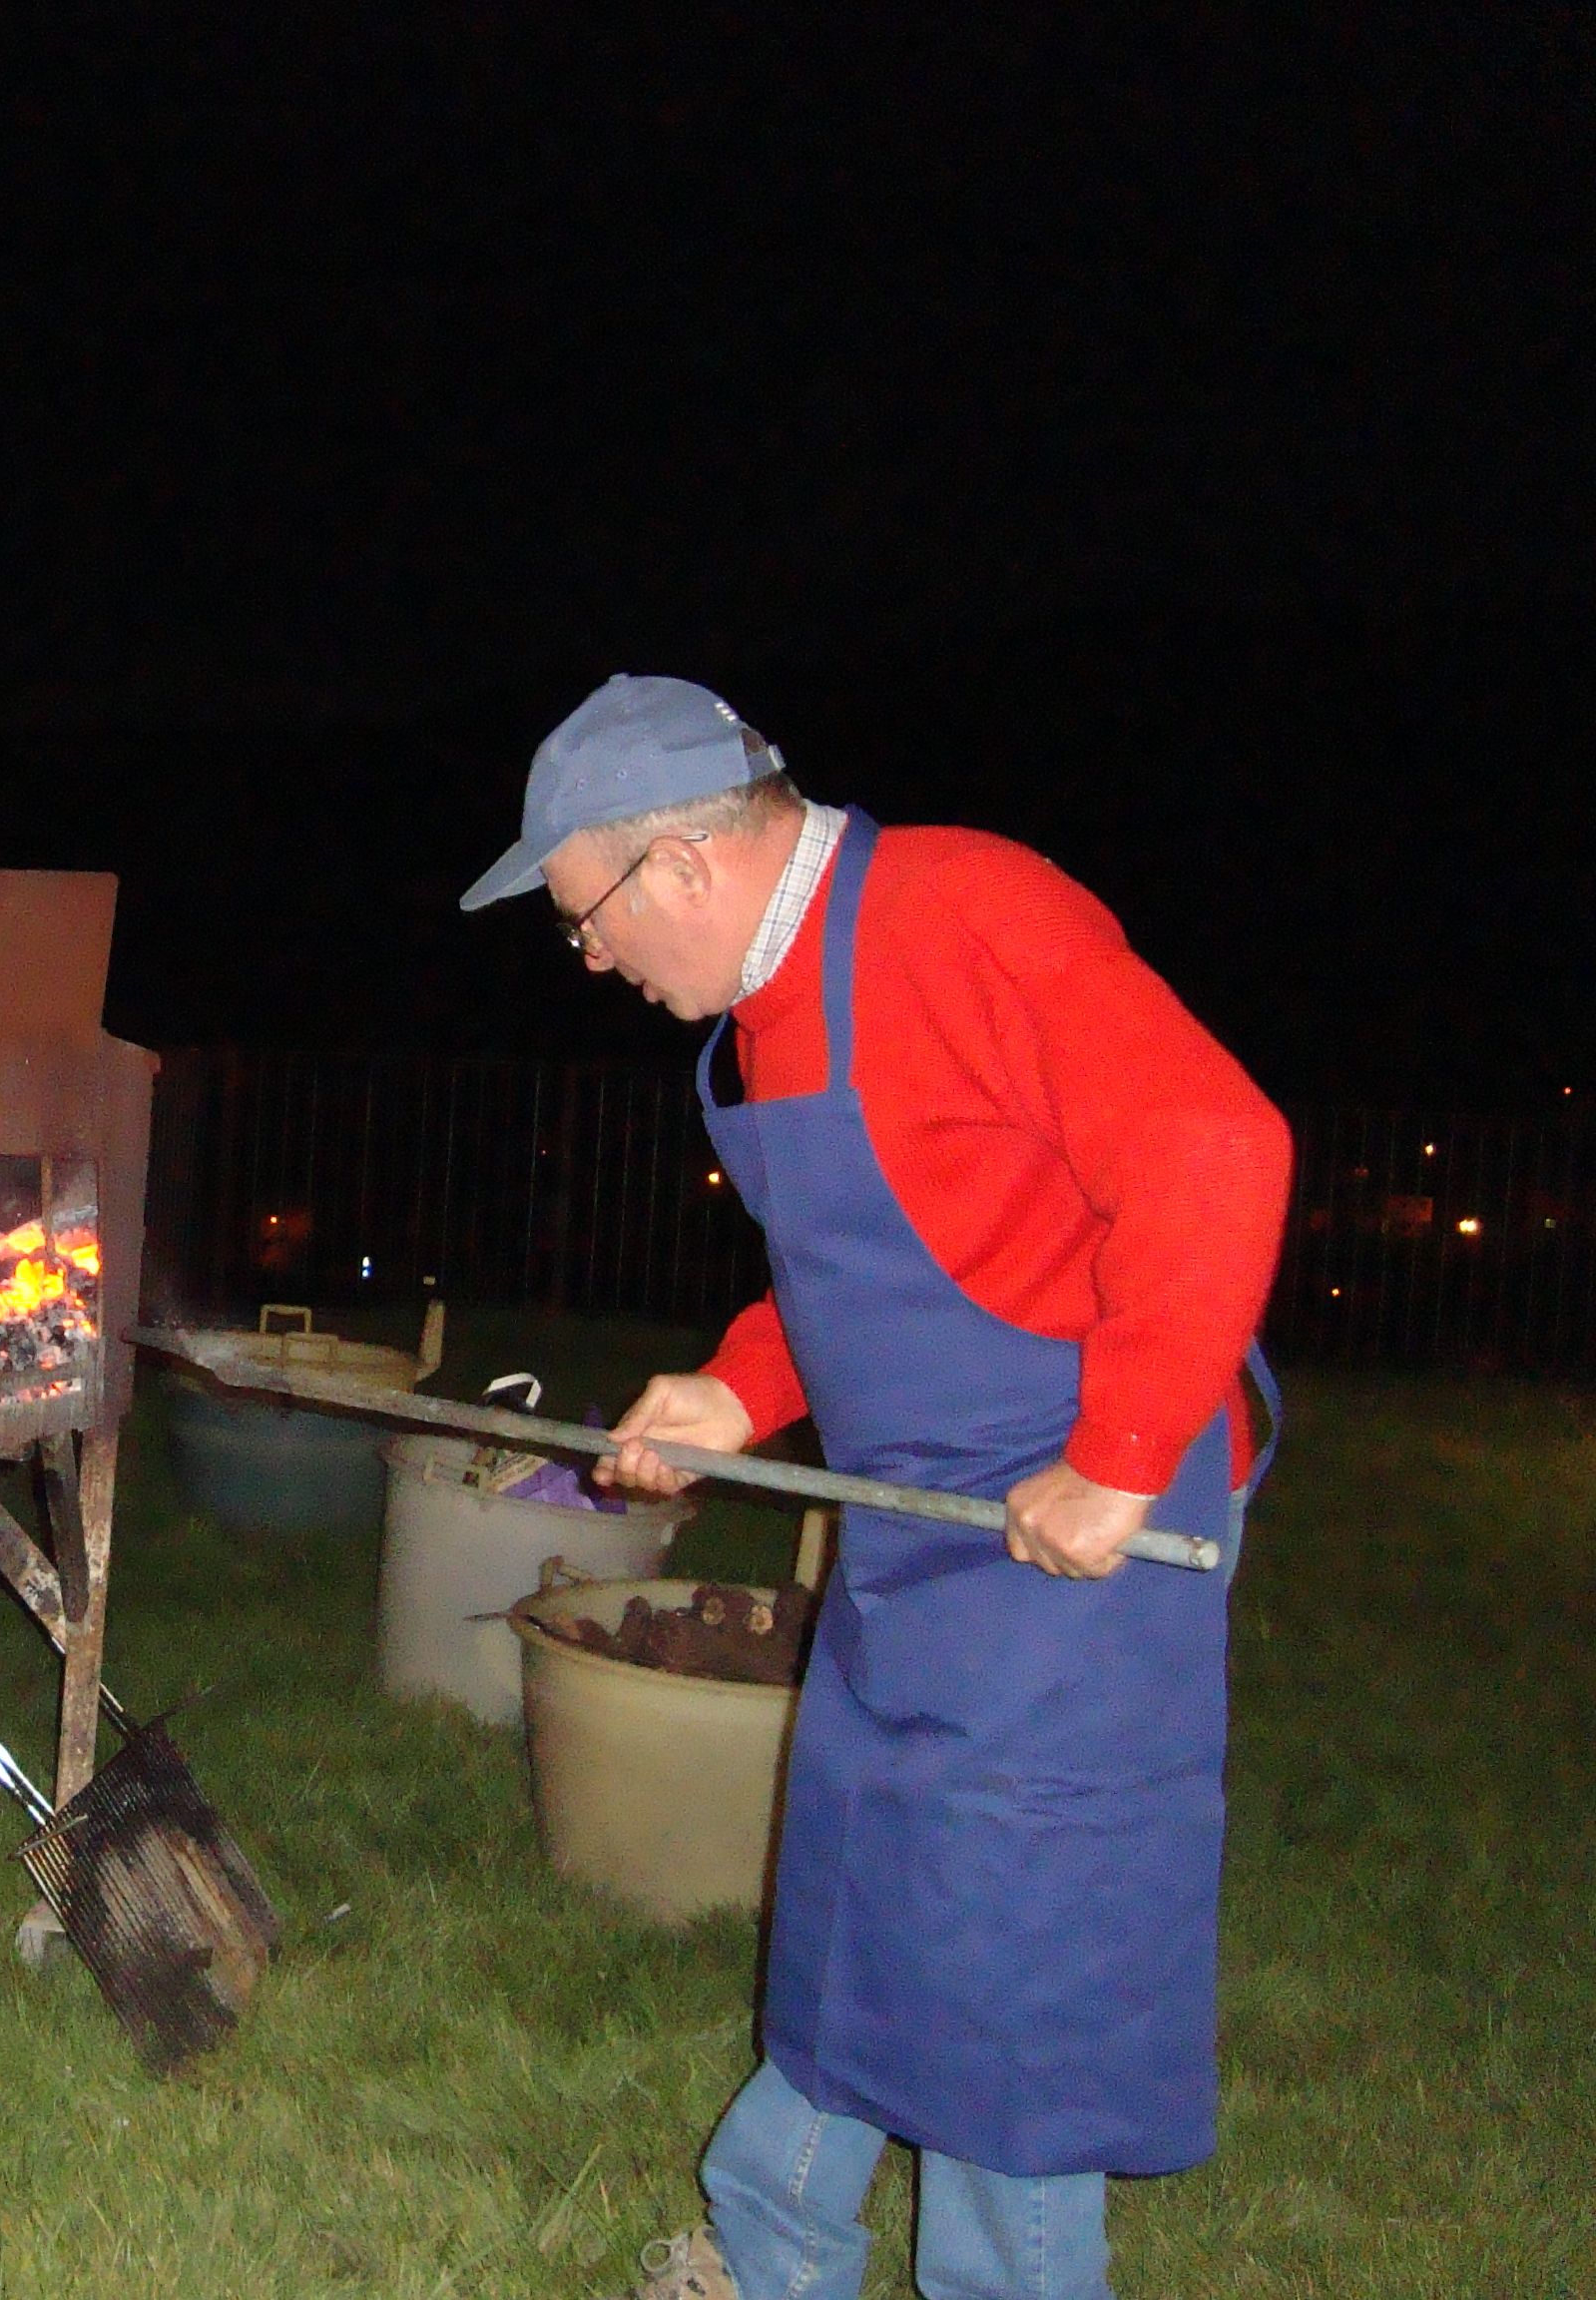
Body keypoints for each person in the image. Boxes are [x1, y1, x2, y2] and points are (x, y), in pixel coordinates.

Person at [459, 675, 1290, 2300]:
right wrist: (739, 1388)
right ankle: (770, 2256)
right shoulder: (771, 1012)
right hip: (916, 1519)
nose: (595, 960)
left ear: (678, 864)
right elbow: (880, 1256)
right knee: (859, 1898)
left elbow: (1215, 1145)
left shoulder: (964, 913)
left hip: (1076, 1518)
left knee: (1002, 1956)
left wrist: (1119, 1457)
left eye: (586, 920)